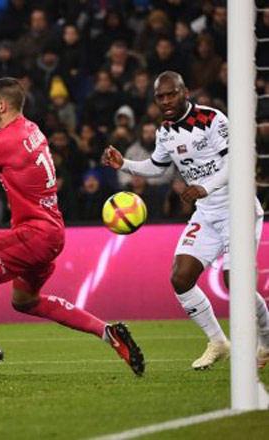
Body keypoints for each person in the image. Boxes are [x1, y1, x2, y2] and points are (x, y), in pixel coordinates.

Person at [0, 77, 145, 380]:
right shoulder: (31, 129)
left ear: (2, 106)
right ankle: (109, 333)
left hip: (34, 233)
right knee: (25, 301)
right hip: (53, 232)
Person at [103, 71, 269, 370]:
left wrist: (205, 187)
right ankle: (218, 342)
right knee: (180, 278)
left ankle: (266, 342)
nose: (166, 101)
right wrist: (125, 164)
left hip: (237, 207)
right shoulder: (165, 132)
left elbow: (237, 160)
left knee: (237, 282)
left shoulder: (212, 119)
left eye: (171, 94)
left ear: (185, 92)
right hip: (206, 212)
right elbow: (157, 166)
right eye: (160, 96)